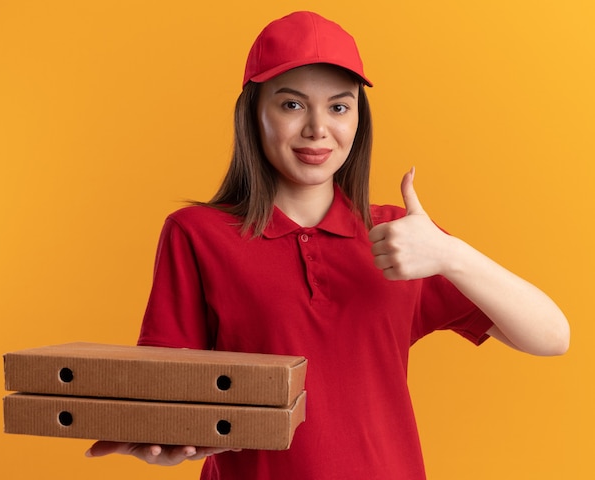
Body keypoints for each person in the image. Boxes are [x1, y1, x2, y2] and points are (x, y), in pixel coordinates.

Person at [85, 11, 569, 479]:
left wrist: (451, 254)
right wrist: (164, 443)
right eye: (292, 104)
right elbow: (169, 398)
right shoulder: (197, 234)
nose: (318, 128)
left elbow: (552, 337)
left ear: (359, 119)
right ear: (253, 113)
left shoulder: (402, 238)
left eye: (339, 106)